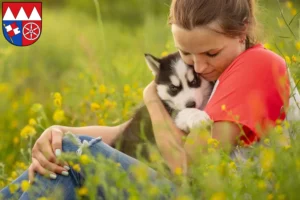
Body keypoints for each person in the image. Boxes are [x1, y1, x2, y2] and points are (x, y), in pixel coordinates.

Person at [0, 0, 291, 199]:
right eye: (186, 53)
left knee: (72, 154)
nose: (198, 67)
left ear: (243, 31)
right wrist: (58, 133)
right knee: (63, 149)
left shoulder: (257, 64)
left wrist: (151, 97)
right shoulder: (218, 75)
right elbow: (123, 132)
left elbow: (187, 169)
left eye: (210, 54)